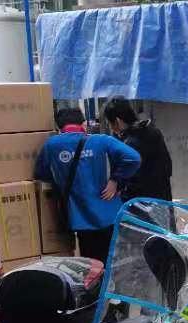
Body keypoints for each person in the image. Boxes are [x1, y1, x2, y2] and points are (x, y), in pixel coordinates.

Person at [35, 106, 141, 265]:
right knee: (114, 263)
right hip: (109, 214)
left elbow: (41, 174)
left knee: (91, 265)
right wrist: (115, 180)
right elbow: (134, 158)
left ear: (59, 126)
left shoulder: (51, 145)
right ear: (83, 123)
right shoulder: (102, 141)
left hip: (80, 217)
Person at [102, 97, 173, 202]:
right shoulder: (154, 132)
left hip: (141, 205)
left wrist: (115, 183)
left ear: (117, 121)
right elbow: (168, 166)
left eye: (109, 124)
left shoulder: (129, 144)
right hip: (163, 200)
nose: (111, 128)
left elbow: (129, 180)